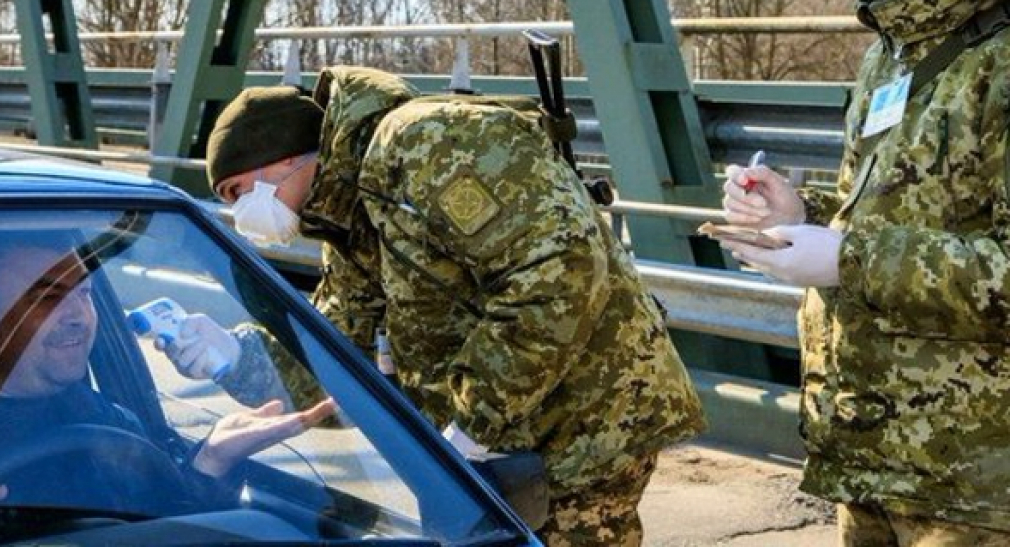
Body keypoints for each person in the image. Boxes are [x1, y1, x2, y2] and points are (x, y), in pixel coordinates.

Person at [178, 66, 704, 547]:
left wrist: (475, 422)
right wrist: (234, 357)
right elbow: (341, 355)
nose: (241, 212)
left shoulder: (426, 142)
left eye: (237, 191)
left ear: (285, 157)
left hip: (582, 427)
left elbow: (558, 271)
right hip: (497, 455)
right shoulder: (349, 217)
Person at [720, 0, 1010, 546]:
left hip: (979, 483)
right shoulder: (892, 45)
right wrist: (802, 217)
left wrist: (849, 258)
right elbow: (898, 210)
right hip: (874, 456)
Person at [0, 230, 334, 547]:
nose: (78, 316)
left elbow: (159, 524)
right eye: (47, 297)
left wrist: (210, 462)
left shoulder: (103, 417)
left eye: (85, 293)